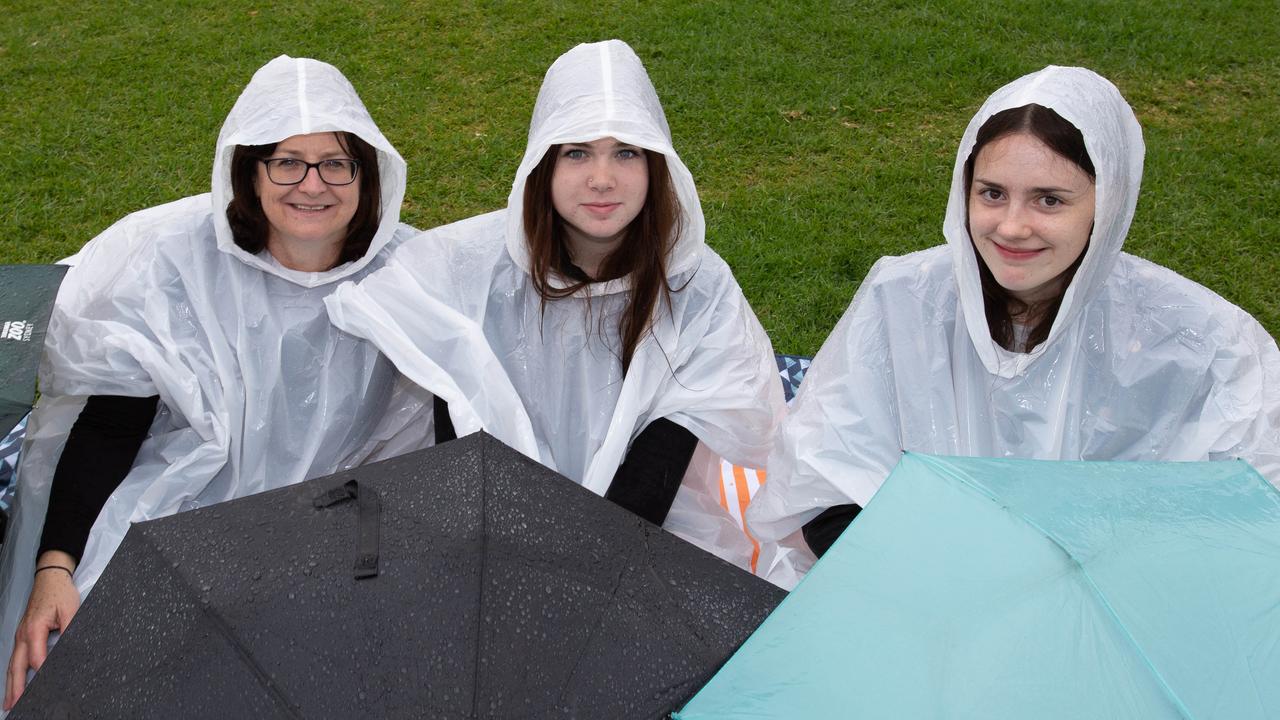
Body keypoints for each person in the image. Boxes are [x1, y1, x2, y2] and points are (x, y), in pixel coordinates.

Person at [747, 65, 1280, 587]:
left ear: (1108, 203)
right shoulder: (904, 298)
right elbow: (823, 490)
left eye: (1050, 200)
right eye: (992, 193)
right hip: (916, 589)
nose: (1012, 227)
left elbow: (1243, 522)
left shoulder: (1199, 341)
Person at [1, 55, 419, 708]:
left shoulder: (407, 281)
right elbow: (112, 425)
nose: (313, 184)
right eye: (287, 161)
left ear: (368, 176)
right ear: (249, 173)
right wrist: (56, 568)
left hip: (326, 523)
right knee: (89, 658)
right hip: (175, 499)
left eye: (337, 163)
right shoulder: (177, 269)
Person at [327, 40, 784, 569]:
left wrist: (583, 571)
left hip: (643, 533)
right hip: (490, 522)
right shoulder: (473, 268)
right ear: (543, 164)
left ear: (657, 165)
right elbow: (457, 405)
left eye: (626, 152)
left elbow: (661, 461)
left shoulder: (695, 284)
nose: (602, 179)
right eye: (577, 152)